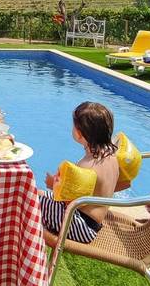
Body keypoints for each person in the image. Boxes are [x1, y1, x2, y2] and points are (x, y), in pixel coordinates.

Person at [40, 102, 120, 243]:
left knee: (28, 200)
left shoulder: (87, 166)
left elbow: (70, 203)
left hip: (81, 226)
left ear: (79, 133)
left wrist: (54, 185)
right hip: (90, 220)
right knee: (36, 193)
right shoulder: (111, 156)